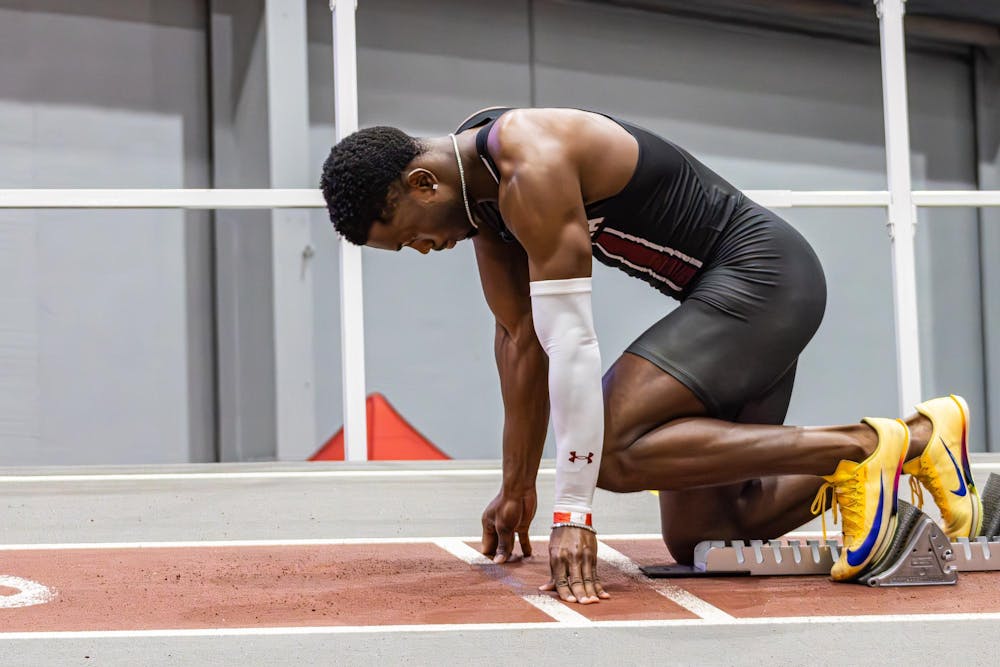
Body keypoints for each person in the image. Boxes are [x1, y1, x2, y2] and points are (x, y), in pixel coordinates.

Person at [320, 107, 982, 604]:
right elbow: (520, 340)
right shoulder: (482, 198)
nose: (426, 251)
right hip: (728, 296)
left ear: (422, 183)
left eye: (411, 239)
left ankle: (868, 447)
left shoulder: (529, 162)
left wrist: (572, 512)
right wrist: (517, 483)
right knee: (709, 534)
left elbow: (572, 344)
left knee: (609, 449)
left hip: (766, 278)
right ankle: (925, 439)